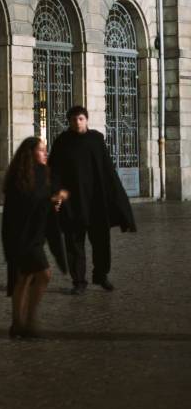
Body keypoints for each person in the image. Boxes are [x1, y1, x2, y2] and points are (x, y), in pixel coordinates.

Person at [49, 106, 136, 294]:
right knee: (74, 244)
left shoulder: (96, 140)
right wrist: (57, 193)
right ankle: (79, 281)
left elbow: (107, 169)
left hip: (96, 202)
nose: (77, 122)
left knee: (101, 242)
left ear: (86, 120)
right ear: (69, 122)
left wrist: (117, 198)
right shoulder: (62, 142)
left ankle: (101, 275)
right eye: (73, 119)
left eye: (80, 118)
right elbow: (54, 171)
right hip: (73, 203)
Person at [2, 137, 69, 338]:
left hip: (36, 233)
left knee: (24, 277)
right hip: (21, 234)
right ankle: (28, 320)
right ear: (29, 153)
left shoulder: (44, 173)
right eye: (41, 150)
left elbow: (44, 201)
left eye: (45, 149)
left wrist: (56, 201)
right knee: (42, 273)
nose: (45, 153)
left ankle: (19, 323)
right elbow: (25, 204)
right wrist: (51, 200)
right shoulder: (18, 177)